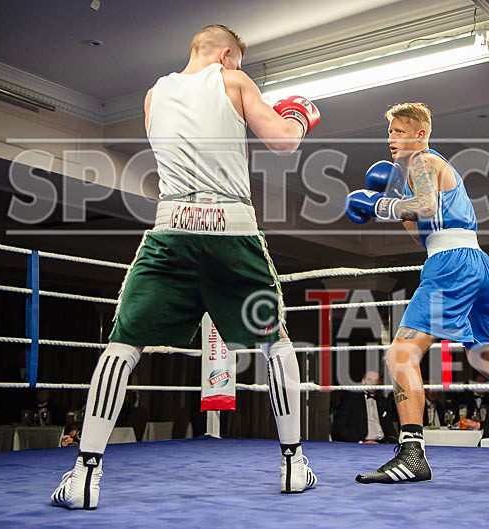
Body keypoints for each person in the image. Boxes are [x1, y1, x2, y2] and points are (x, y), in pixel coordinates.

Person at [51, 25, 321, 509]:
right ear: (226, 55)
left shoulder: (155, 95)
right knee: (274, 341)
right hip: (230, 229)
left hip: (170, 229)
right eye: (237, 61)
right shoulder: (232, 80)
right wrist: (298, 117)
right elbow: (282, 141)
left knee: (123, 342)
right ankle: (293, 464)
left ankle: (84, 473)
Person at [345, 102, 489, 484]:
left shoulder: (423, 161)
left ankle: (412, 454)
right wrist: (398, 207)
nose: (392, 139)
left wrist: (380, 204)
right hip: (474, 262)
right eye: (390, 132)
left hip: (451, 264)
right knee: (483, 358)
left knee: (401, 353)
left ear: (420, 133)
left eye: (400, 131)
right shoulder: (418, 174)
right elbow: (423, 231)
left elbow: (427, 206)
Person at [332, 371, 397, 443]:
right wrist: (360, 442)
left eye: (375, 380)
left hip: (381, 443)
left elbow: (389, 427)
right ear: (363, 381)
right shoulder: (351, 399)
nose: (372, 383)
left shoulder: (383, 401)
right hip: (360, 444)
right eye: (369, 380)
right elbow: (340, 426)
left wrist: (390, 441)